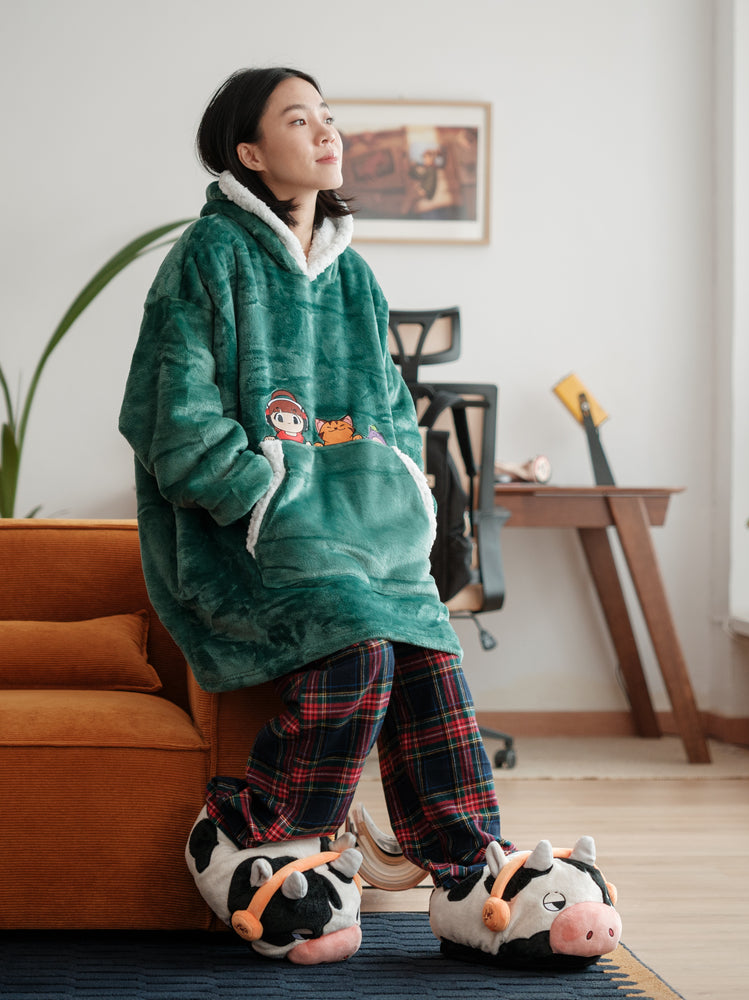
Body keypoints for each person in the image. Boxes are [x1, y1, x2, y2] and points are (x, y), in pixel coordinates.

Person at [118, 67, 619, 968]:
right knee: (362, 645)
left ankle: (470, 872)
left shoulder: (353, 273)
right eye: (297, 119)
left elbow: (391, 411)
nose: (325, 133)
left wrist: (409, 501)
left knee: (427, 645)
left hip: (366, 541)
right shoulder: (207, 256)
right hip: (248, 544)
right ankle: (261, 831)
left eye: (328, 118)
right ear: (248, 151)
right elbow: (171, 421)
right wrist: (265, 496)